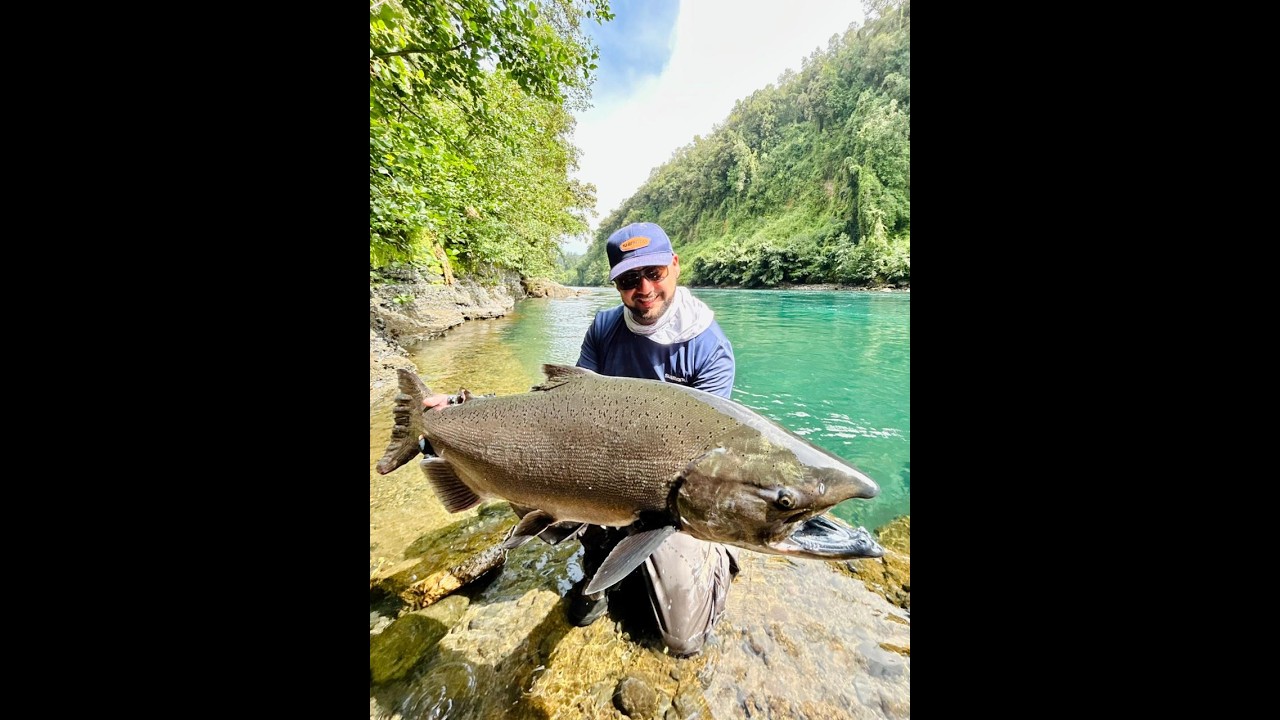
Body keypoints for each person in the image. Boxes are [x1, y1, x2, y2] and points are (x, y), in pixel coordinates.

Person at [422, 221, 738, 657]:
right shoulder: (605, 328)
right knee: (529, 465)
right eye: (629, 280)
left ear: (675, 266)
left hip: (671, 491)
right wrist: (464, 406)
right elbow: (559, 413)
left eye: (654, 273)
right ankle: (598, 558)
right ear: (616, 285)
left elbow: (706, 461)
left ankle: (720, 557)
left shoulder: (708, 348)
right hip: (606, 470)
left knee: (682, 639)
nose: (644, 288)